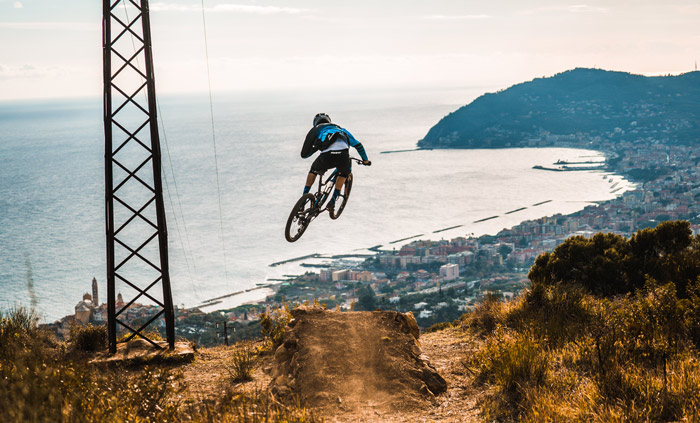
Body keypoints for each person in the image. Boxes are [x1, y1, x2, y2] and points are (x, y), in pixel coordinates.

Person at [300, 113, 370, 212]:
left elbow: (304, 154)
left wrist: (317, 147)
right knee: (344, 173)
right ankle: (332, 202)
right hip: (343, 157)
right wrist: (365, 160)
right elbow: (358, 145)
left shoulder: (315, 130)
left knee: (314, 170)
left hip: (326, 157)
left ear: (315, 123)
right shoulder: (341, 129)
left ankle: (303, 200)